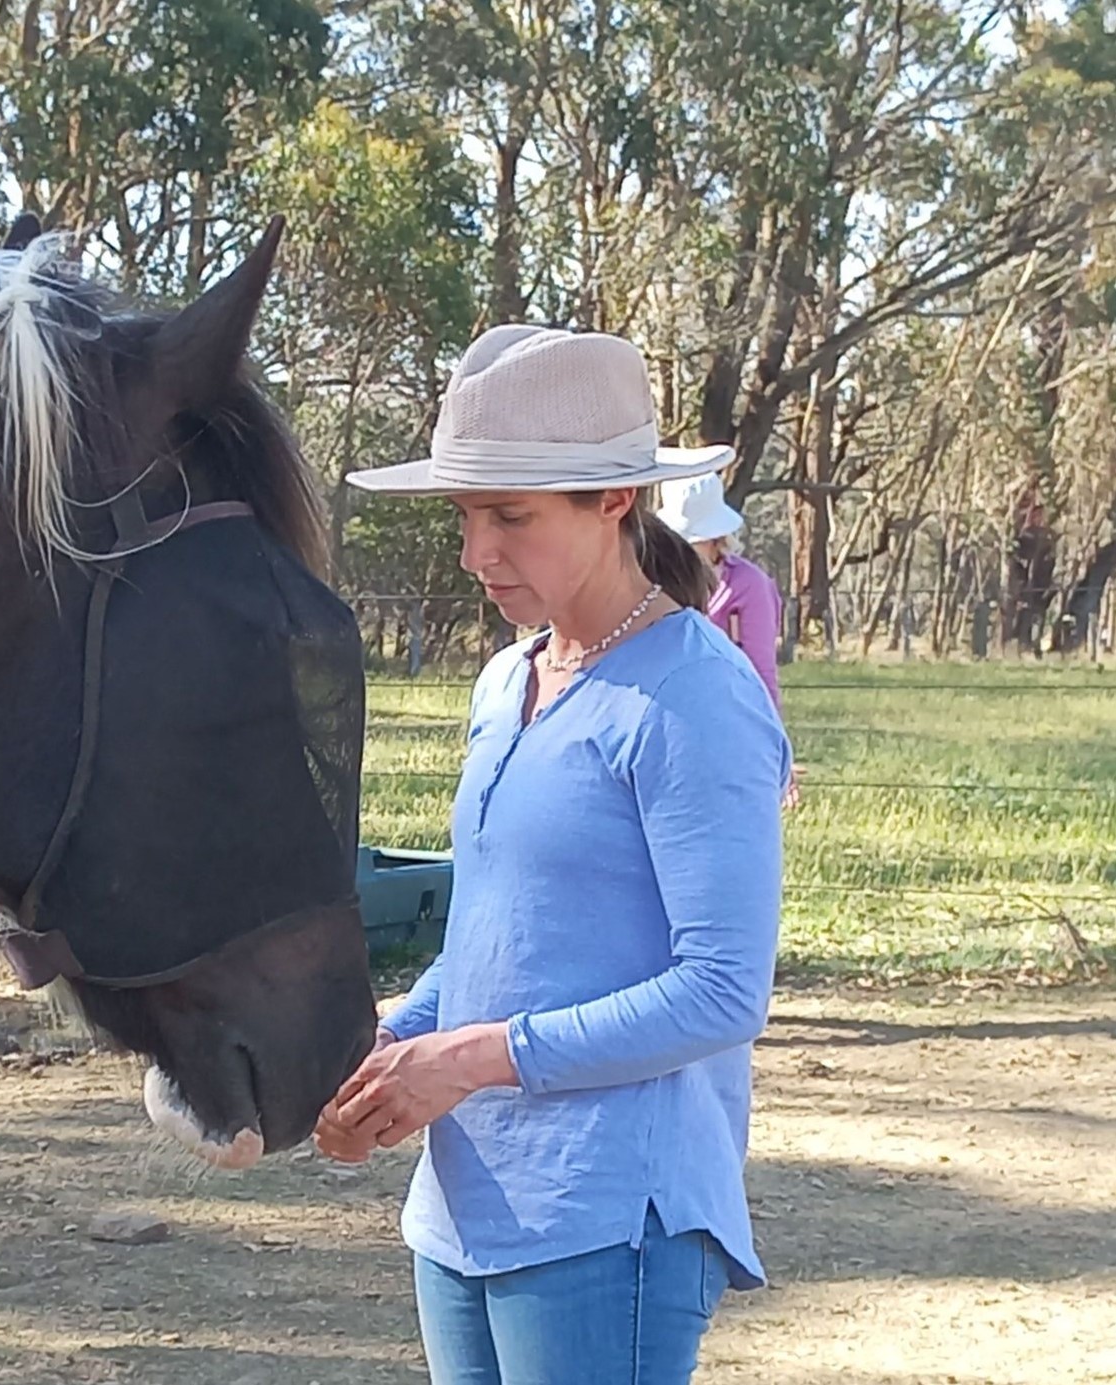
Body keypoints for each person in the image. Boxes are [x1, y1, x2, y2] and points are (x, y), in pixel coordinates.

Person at [319, 324, 790, 1385]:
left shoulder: (694, 696)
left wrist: (472, 1058)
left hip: (605, 1218)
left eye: (511, 516)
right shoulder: (505, 682)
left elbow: (721, 989)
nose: (475, 553)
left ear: (614, 498)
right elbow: (499, 934)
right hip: (463, 1208)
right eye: (465, 515)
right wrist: (388, 1052)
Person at [656, 471, 782, 708]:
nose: (681, 549)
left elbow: (761, 673)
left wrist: (768, 735)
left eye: (692, 541)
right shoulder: (653, 580)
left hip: (728, 714)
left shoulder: (750, 586)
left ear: (716, 538)